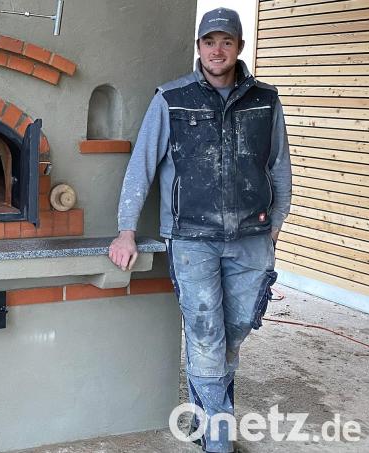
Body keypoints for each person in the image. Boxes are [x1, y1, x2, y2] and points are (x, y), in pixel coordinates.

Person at [108, 8, 291, 453]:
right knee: (206, 333)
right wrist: (125, 230)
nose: (217, 49)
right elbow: (141, 167)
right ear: (199, 48)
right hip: (191, 240)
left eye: (226, 41)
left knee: (235, 331)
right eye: (209, 41)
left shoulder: (265, 100)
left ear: (239, 48)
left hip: (252, 238)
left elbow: (279, 168)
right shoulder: (171, 98)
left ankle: (203, 414)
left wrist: (275, 228)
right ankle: (218, 438)